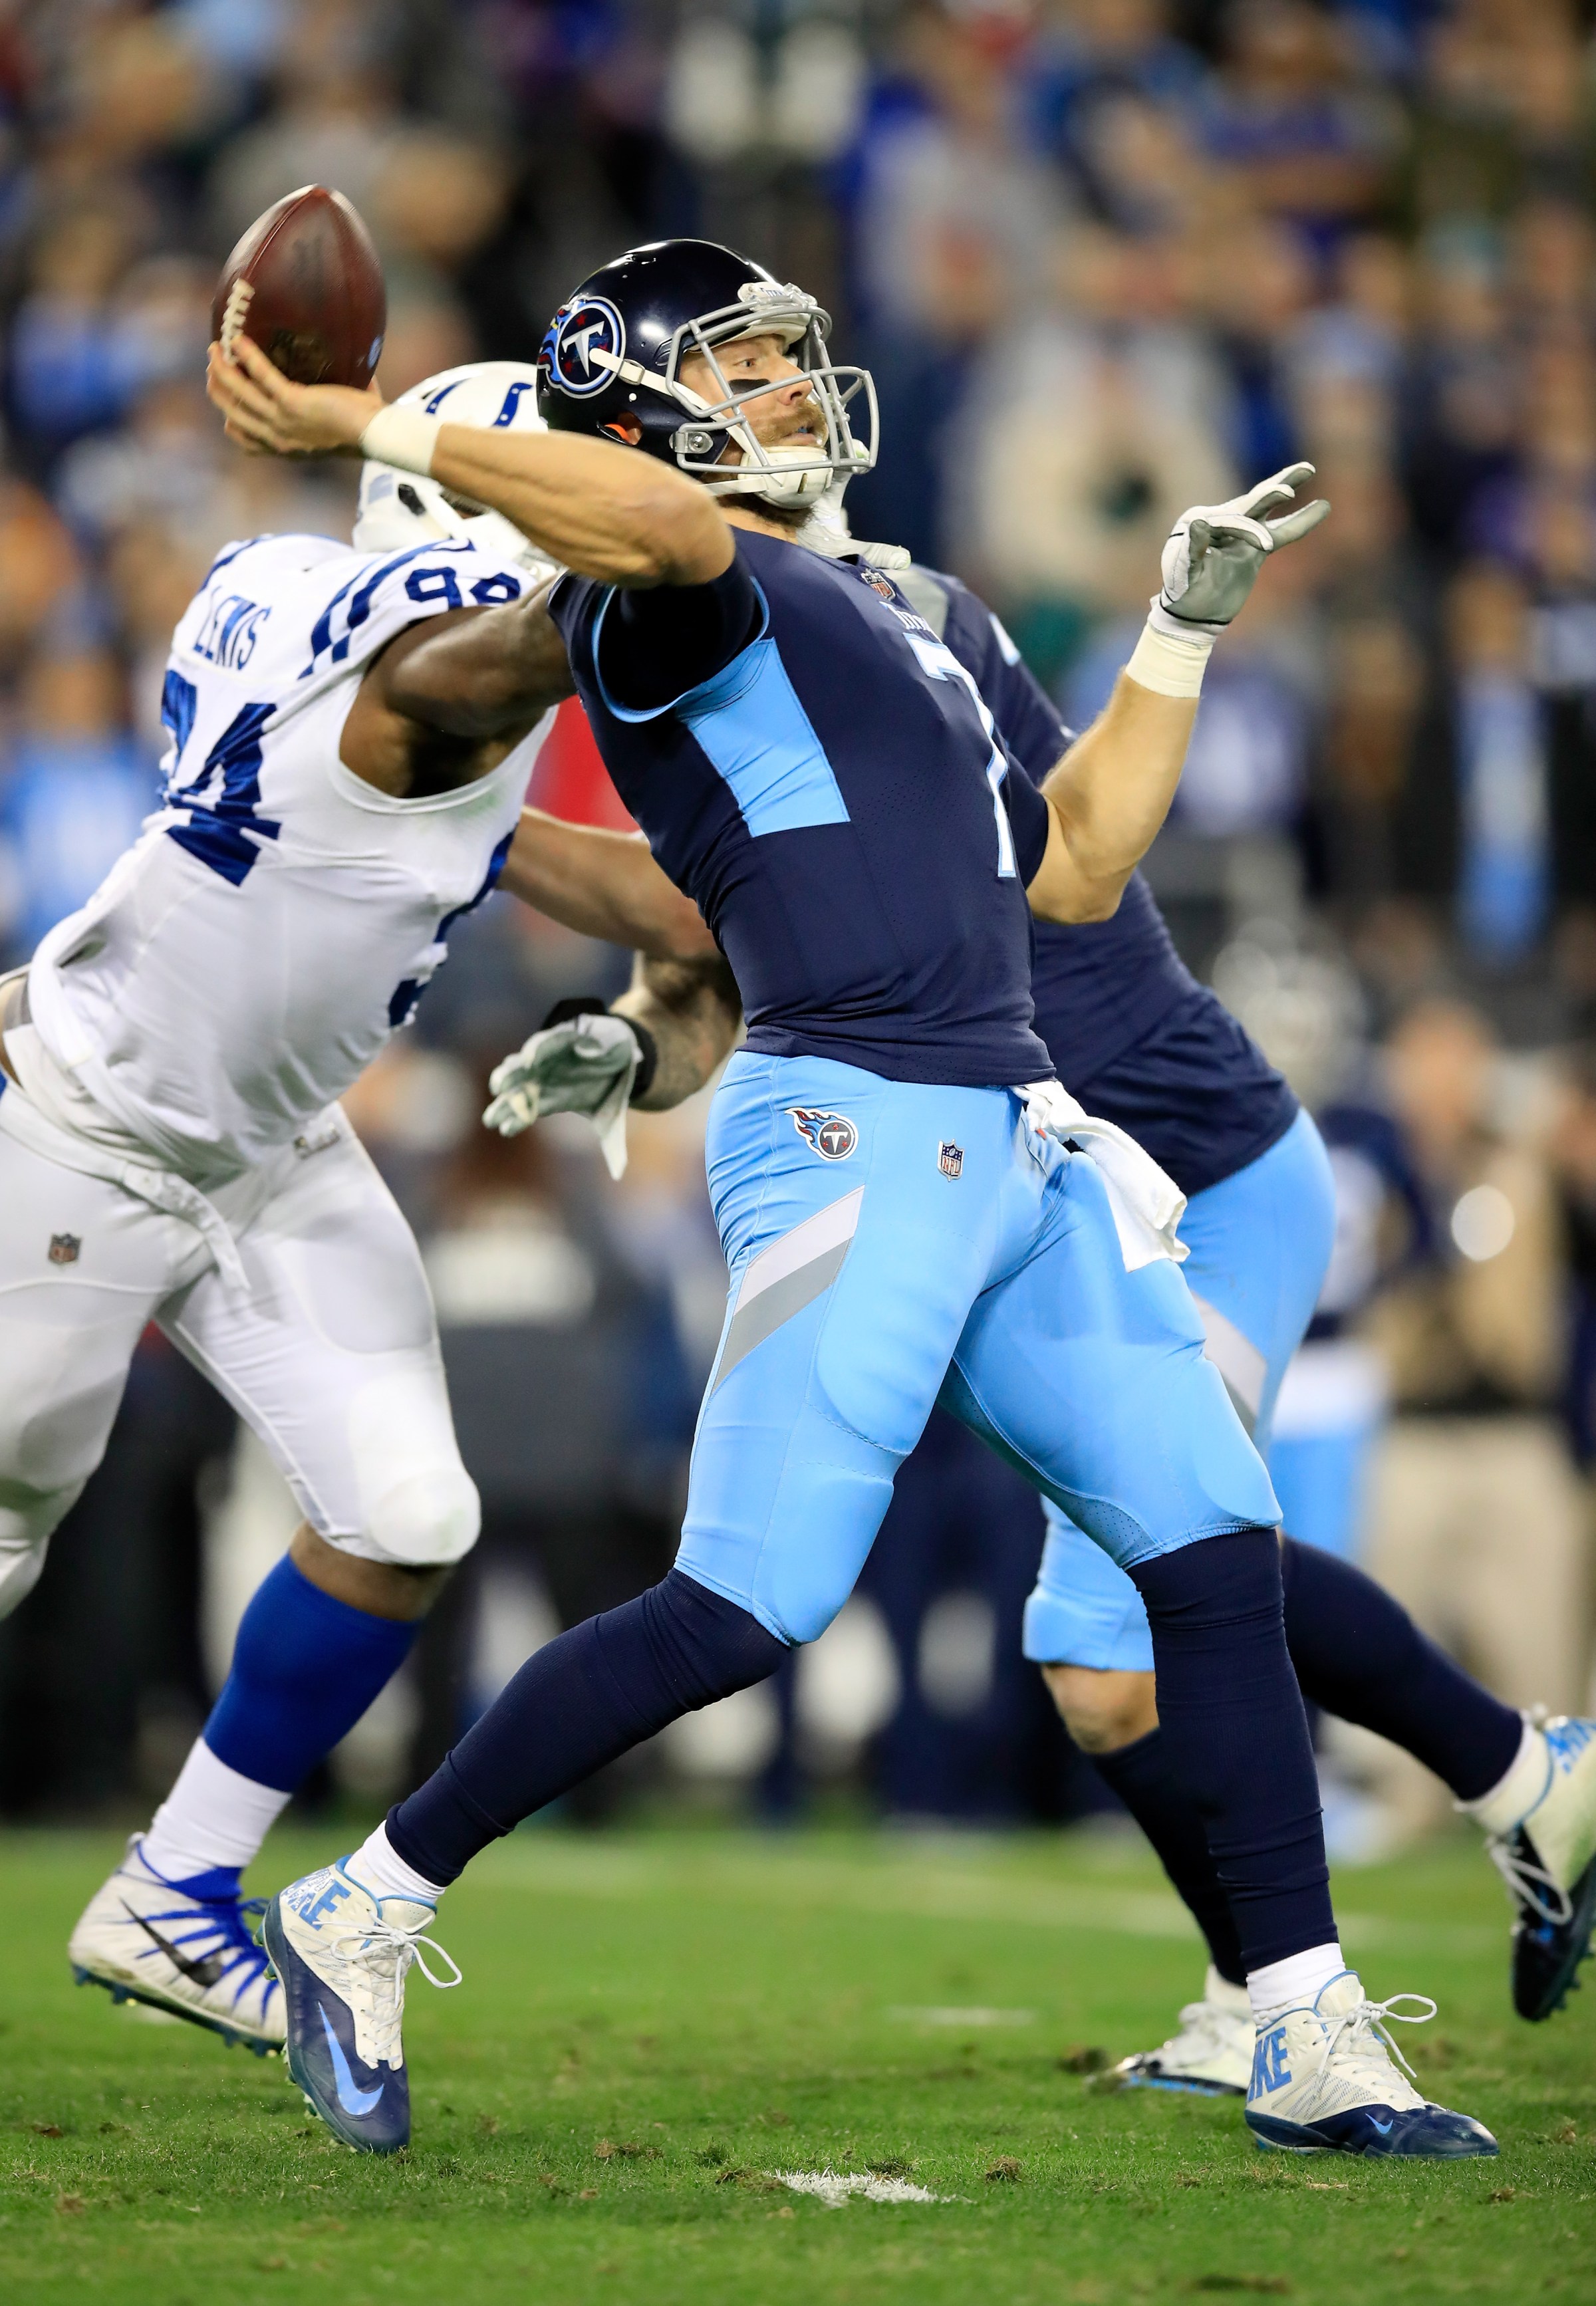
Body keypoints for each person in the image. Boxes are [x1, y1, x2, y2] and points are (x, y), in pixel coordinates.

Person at [214, 236, 1492, 2162]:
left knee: (1214, 1551)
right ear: (643, 398)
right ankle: (365, 1900)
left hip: (1016, 1132)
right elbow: (644, 529)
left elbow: (1069, 873)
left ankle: (1306, 2027)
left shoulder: (896, 603)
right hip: (853, 1126)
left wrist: (1176, 632)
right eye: (750, 365)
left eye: (793, 359)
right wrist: (370, 419)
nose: (802, 390)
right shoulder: (669, 593)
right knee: (752, 1597)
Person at [0, 358, 708, 2057]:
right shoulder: (442, 668)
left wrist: (745, 909)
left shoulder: (279, 596)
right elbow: (573, 611)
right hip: (88, 1133)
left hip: (264, 1140)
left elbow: (511, 845)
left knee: (403, 1515)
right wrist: (706, 544)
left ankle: (180, 1893)